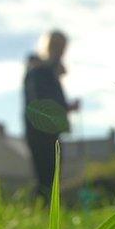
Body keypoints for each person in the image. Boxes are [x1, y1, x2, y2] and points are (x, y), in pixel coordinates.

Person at [23, 30, 80, 196]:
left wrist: (68, 107)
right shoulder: (38, 71)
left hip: (51, 130)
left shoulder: (48, 73)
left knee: (53, 174)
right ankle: (43, 211)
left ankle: (47, 210)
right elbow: (40, 103)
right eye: (58, 47)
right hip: (39, 130)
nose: (61, 52)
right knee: (45, 175)